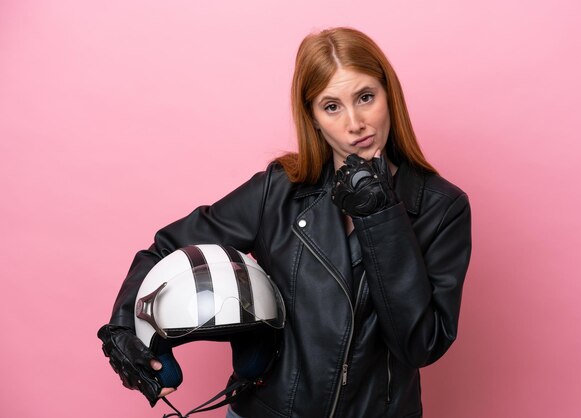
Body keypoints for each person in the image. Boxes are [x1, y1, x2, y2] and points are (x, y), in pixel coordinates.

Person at [98, 27, 472, 418]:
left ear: (388, 95)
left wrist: (380, 217)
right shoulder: (278, 189)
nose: (355, 122)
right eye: (332, 106)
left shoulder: (443, 208)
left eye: (365, 97)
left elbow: (420, 345)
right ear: (312, 116)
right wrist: (124, 326)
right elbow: (165, 250)